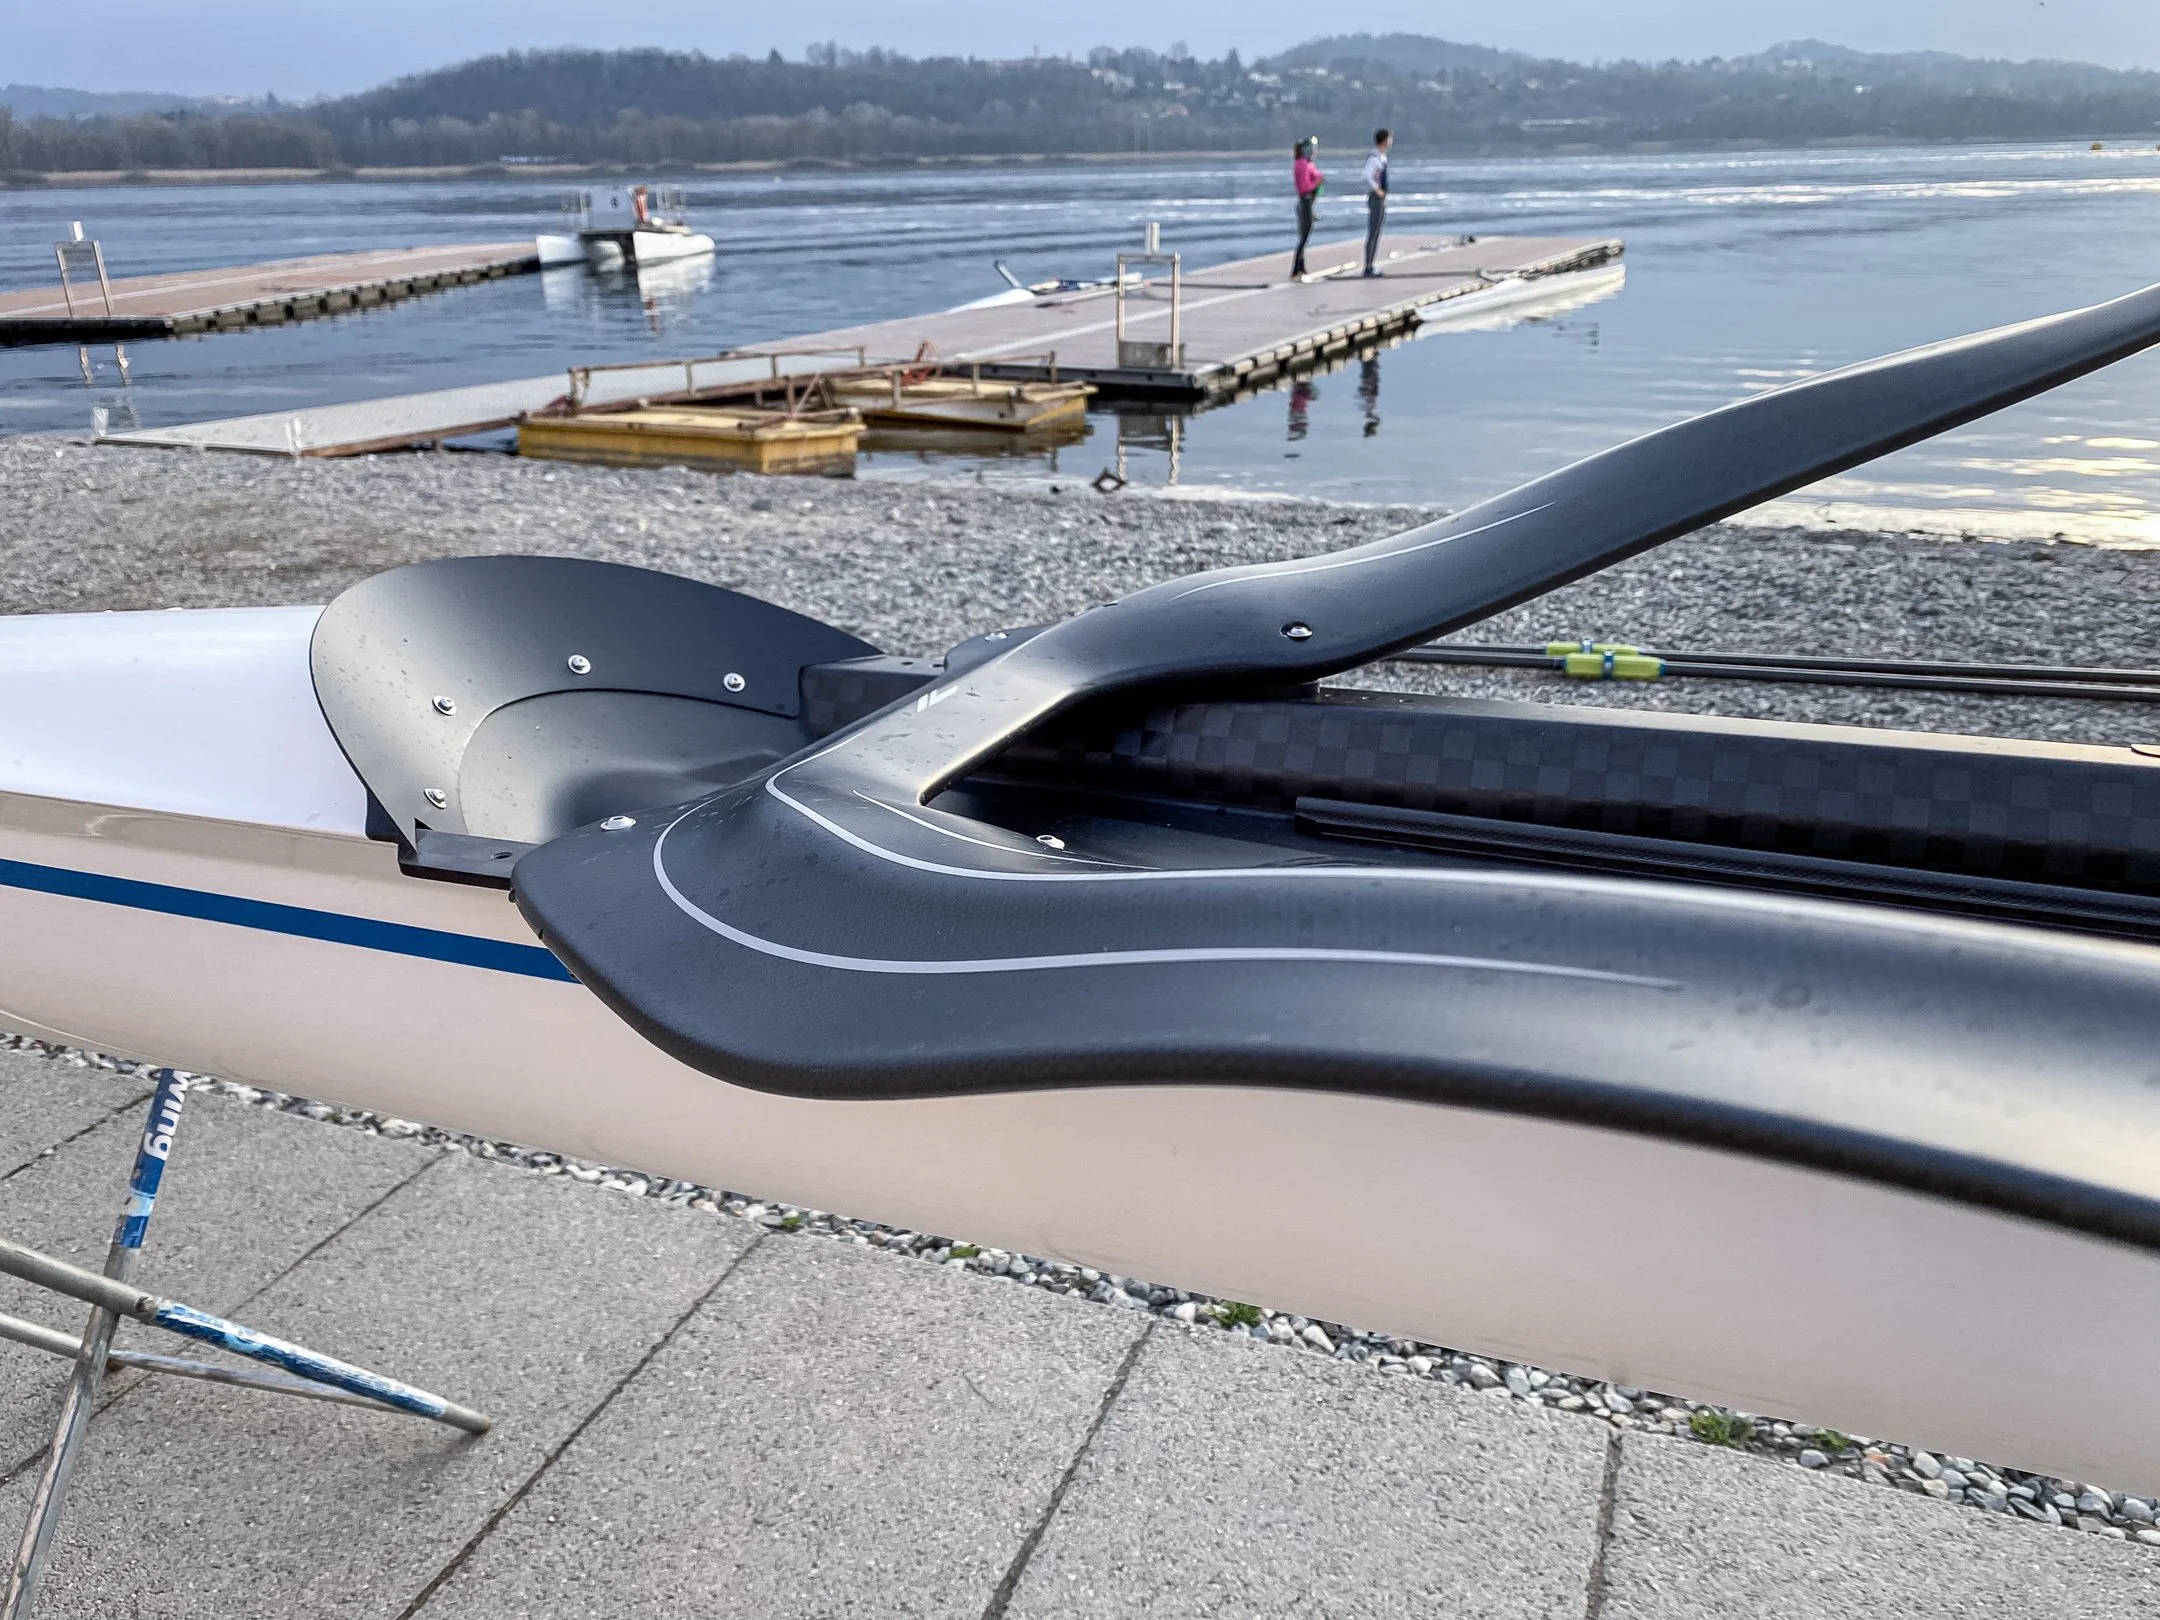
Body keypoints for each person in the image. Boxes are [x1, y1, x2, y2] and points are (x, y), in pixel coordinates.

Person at [1291, 139, 1323, 280]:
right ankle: (1295, 269)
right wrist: (1316, 183)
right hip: (1305, 201)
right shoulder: (1302, 164)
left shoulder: (1306, 163)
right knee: (1303, 237)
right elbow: (1305, 187)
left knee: (1305, 236)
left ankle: (1302, 267)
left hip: (1309, 202)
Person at [1362, 128, 1392, 277]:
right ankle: (1368, 267)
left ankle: (1371, 264)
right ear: (1384, 140)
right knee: (1373, 232)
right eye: (1389, 139)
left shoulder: (1382, 157)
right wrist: (1377, 190)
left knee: (1377, 231)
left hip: (1381, 198)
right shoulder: (1374, 158)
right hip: (1375, 198)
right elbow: (1366, 175)